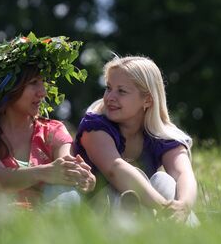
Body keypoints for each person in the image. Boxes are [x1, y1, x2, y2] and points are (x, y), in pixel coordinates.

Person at [0, 32, 95, 209]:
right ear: (7, 88)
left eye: (43, 82)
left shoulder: (52, 131)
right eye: (33, 83)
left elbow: (65, 166)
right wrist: (44, 173)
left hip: (46, 220)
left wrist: (81, 176)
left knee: (67, 192)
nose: (43, 92)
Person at [73, 55, 199, 224]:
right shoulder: (94, 127)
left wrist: (183, 205)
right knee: (124, 189)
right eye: (109, 88)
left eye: (121, 91)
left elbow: (183, 173)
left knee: (165, 181)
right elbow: (115, 169)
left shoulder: (160, 134)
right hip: (98, 217)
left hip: (148, 214)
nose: (110, 97)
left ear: (147, 99)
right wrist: (164, 206)